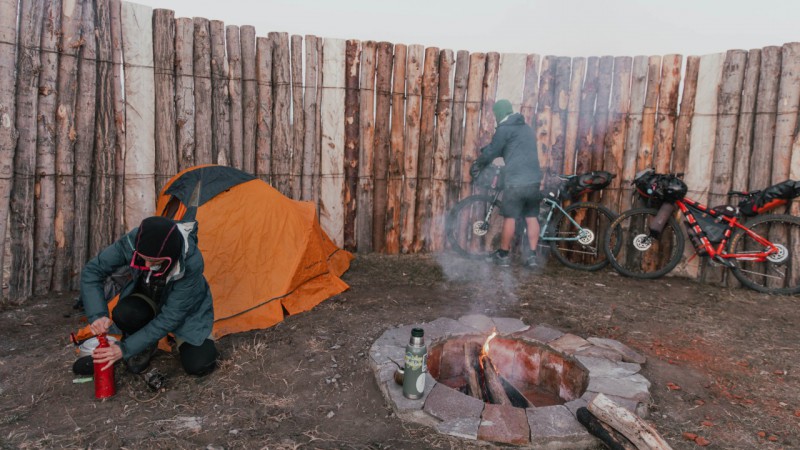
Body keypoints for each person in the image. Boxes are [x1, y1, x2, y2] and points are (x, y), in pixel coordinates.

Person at [78, 216, 218, 376]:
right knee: (125, 313)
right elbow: (93, 271)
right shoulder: (135, 241)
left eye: (153, 262)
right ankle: (144, 344)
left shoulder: (191, 262)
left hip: (185, 312)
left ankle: (145, 341)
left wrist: (125, 348)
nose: (146, 266)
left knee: (200, 365)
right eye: (143, 259)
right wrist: (97, 315)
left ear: (170, 257)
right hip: (148, 298)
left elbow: (171, 317)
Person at [471, 99, 543, 268]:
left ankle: (503, 255)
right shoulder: (526, 129)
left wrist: (478, 164)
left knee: (510, 217)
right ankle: (532, 257)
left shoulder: (504, 129)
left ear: (499, 113)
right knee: (531, 216)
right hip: (533, 180)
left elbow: (493, 151)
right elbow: (516, 150)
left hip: (516, 181)